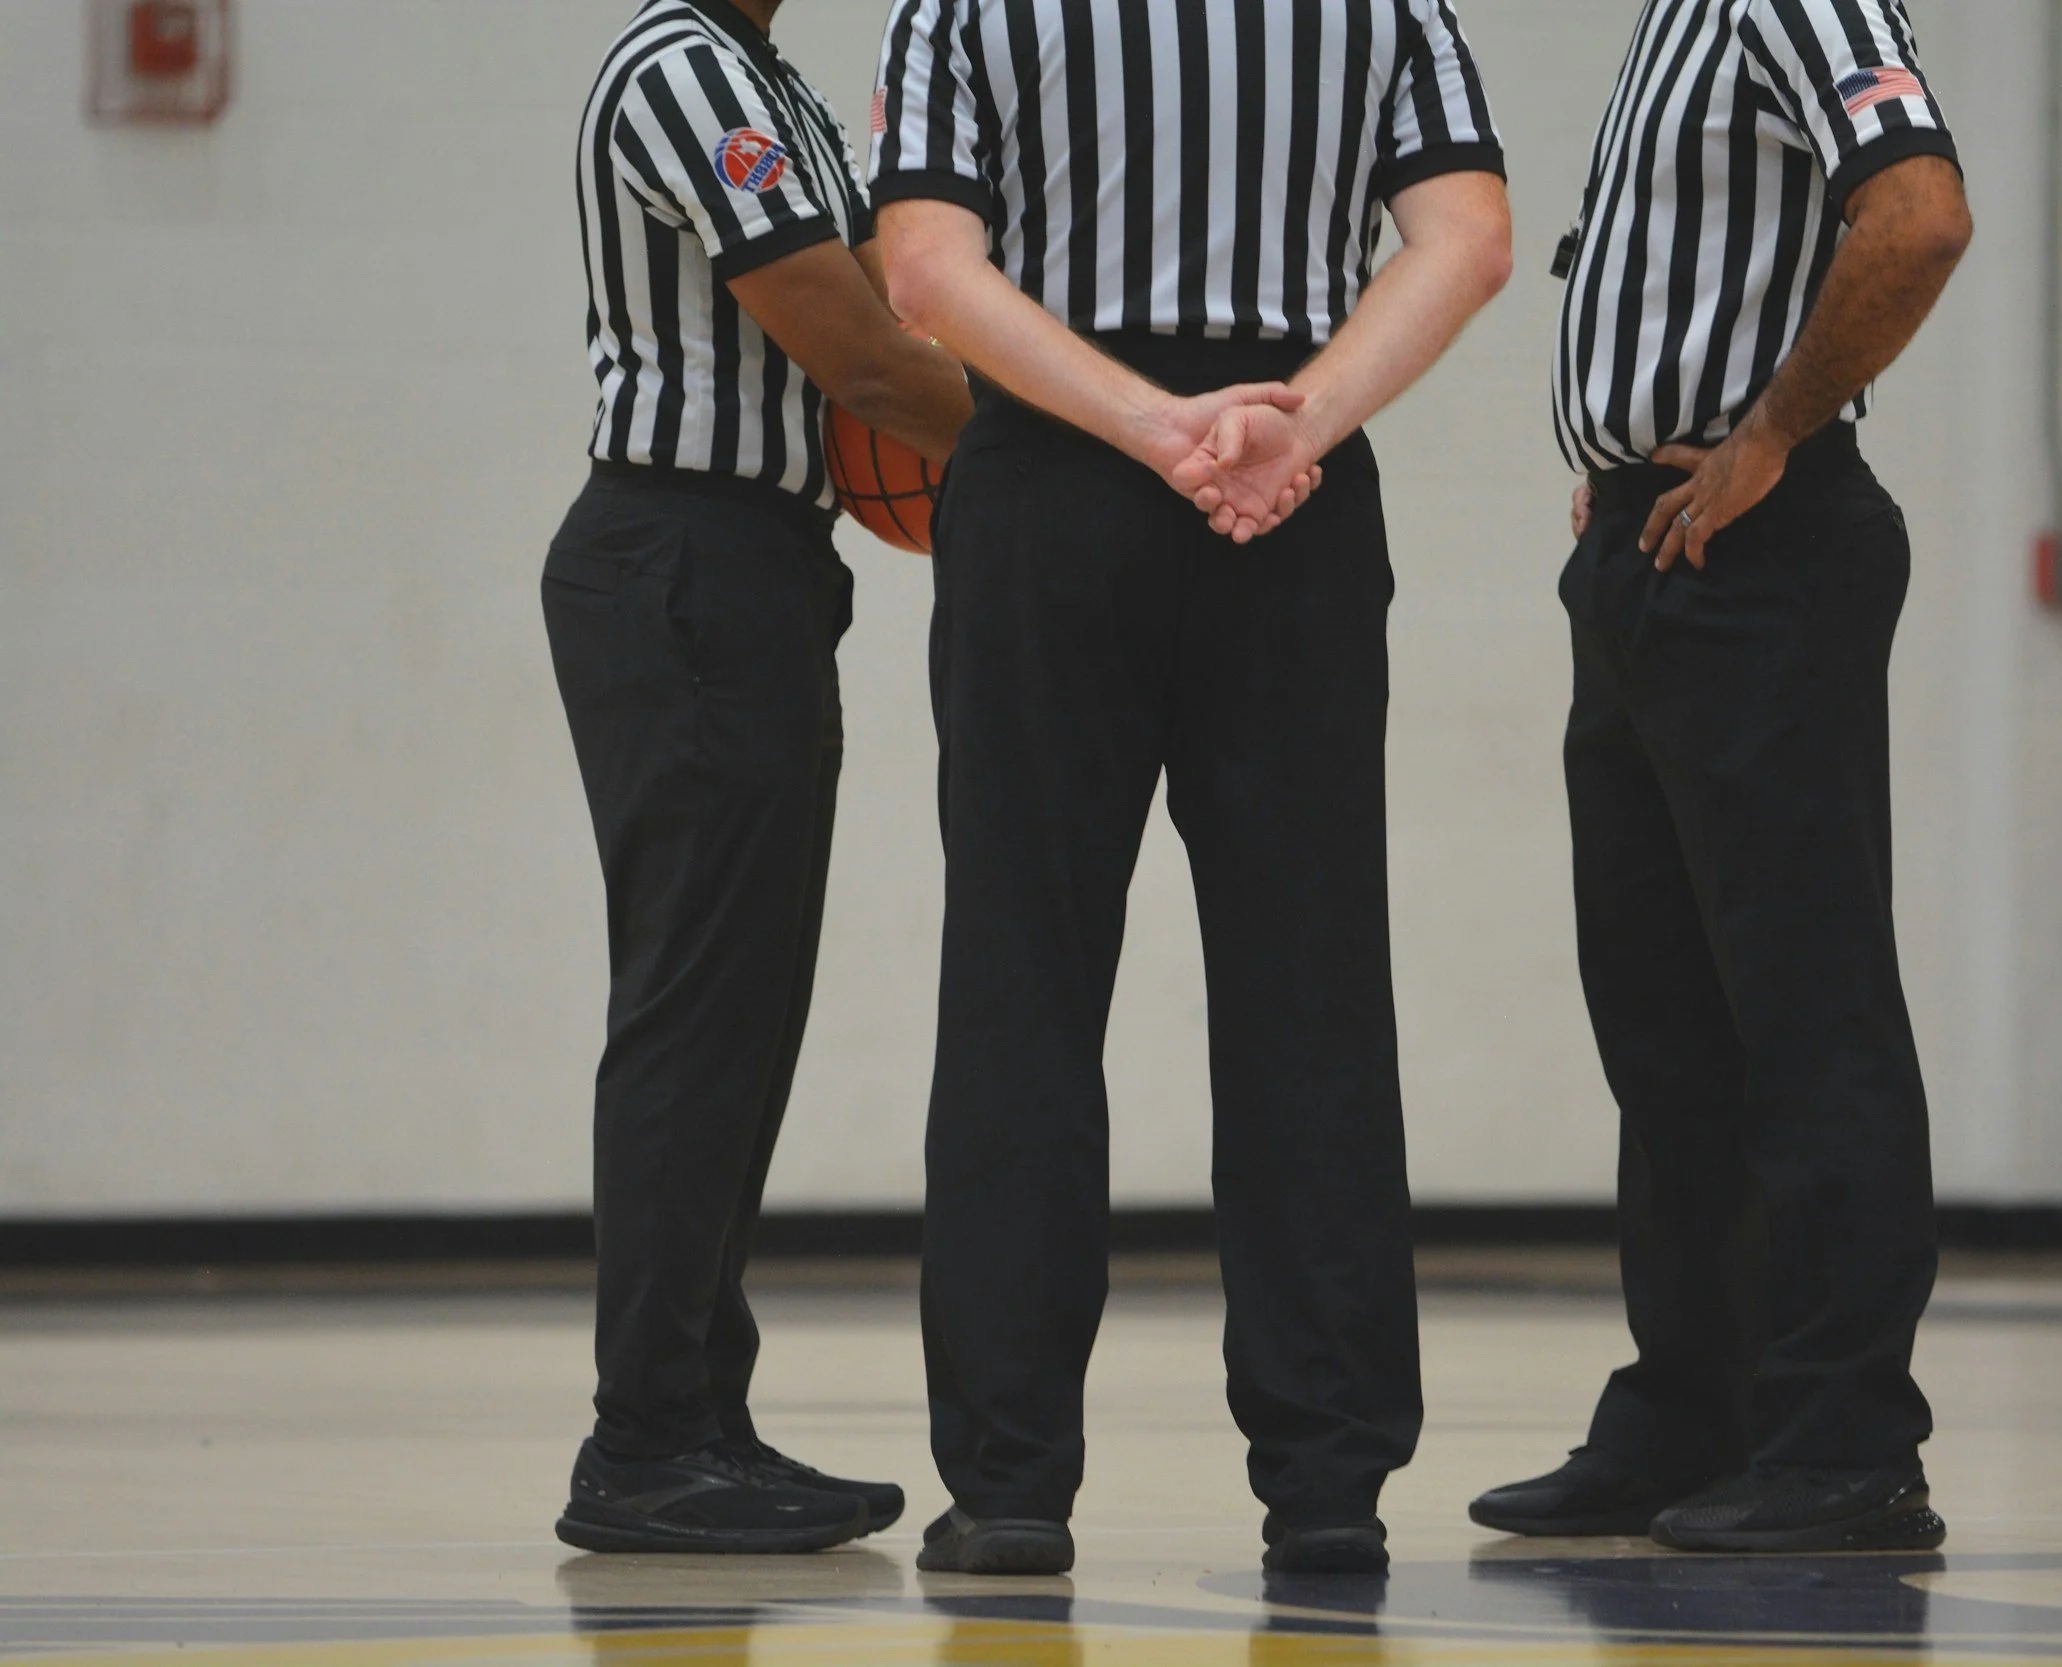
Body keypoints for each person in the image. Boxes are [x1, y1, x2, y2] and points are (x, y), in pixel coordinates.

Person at [869, 0, 1513, 1577]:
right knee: (1313, 997)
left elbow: (928, 270)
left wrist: (1153, 425)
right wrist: (1299, 419)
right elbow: (1472, 238)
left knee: (1022, 985)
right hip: (1289, 496)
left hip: (1056, 484)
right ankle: (1327, 1483)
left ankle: (1012, 1482)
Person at [1469, 0, 1970, 1553]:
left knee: (1805, 1010)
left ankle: (1848, 1439)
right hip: (1645, 549)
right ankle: (1697, 1403)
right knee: (1666, 1022)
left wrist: (1769, 432)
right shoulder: (1674, 23)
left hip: (1764, 550)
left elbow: (1922, 216)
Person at [543, 0, 973, 1554]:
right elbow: (855, 346)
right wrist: (1076, 448)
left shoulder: (774, 78)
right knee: (695, 1003)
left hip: (761, 567)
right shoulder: (679, 68)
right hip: (684, 554)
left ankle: (701, 1414)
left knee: (744, 1009)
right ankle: (642, 1439)